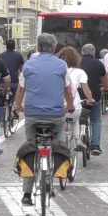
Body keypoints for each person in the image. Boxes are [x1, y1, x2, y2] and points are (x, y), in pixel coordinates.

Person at [13, 33, 75, 206]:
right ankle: (56, 176)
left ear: (38, 47)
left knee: (30, 149)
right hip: (56, 115)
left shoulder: (28, 65)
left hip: (32, 114)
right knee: (58, 144)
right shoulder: (62, 65)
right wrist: (69, 106)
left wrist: (18, 106)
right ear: (54, 48)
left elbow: (20, 90)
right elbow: (67, 90)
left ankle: (26, 193)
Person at [60, 46, 96, 153]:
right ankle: (77, 139)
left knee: (59, 123)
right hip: (74, 106)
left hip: (59, 107)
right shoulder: (80, 72)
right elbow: (86, 90)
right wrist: (90, 99)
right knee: (75, 120)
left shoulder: (57, 70)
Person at [80, 43, 108, 155]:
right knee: (95, 120)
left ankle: (78, 137)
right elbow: (105, 79)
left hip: (79, 96)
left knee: (76, 118)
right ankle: (95, 144)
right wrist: (105, 88)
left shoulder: (77, 62)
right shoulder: (98, 63)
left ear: (82, 52)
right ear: (93, 52)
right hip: (94, 96)